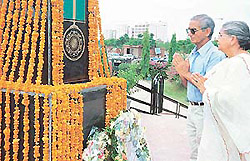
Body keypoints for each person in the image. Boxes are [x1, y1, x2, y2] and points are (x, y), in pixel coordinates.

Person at [191, 21, 250, 161]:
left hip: (226, 137)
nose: (217, 39)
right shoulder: (230, 61)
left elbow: (234, 101)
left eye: (220, 35)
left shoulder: (240, 63)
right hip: (214, 130)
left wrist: (205, 90)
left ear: (232, 39)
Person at [173, 14, 226, 161]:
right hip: (192, 108)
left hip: (206, 110)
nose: (189, 34)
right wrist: (181, 73)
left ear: (207, 31)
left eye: (193, 30)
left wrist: (185, 72)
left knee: (206, 152)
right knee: (195, 152)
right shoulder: (193, 53)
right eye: (188, 30)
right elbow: (186, 84)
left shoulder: (216, 56)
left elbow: (207, 86)